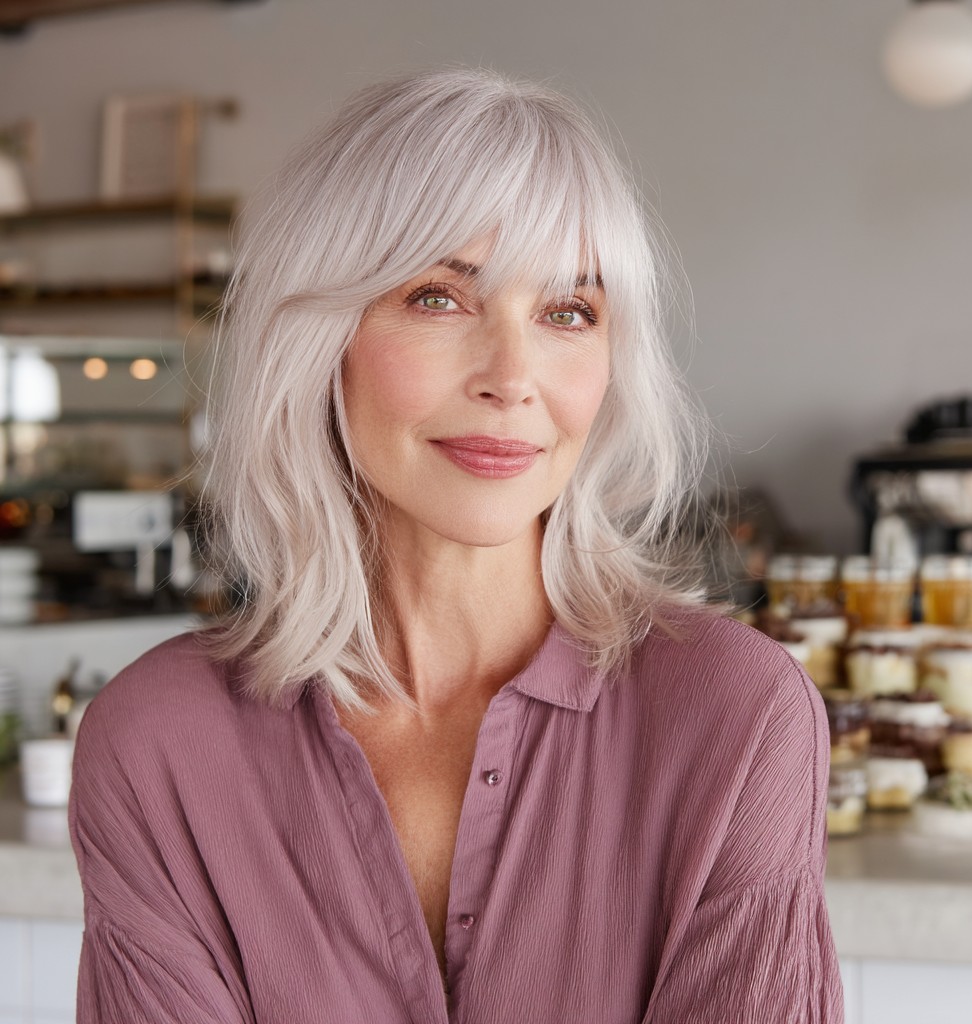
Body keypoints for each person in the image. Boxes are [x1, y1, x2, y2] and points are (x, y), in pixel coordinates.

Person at [69, 67, 843, 1022]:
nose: (512, 377)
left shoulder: (737, 716)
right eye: (438, 298)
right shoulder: (156, 742)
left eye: (568, 313)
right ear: (319, 340)